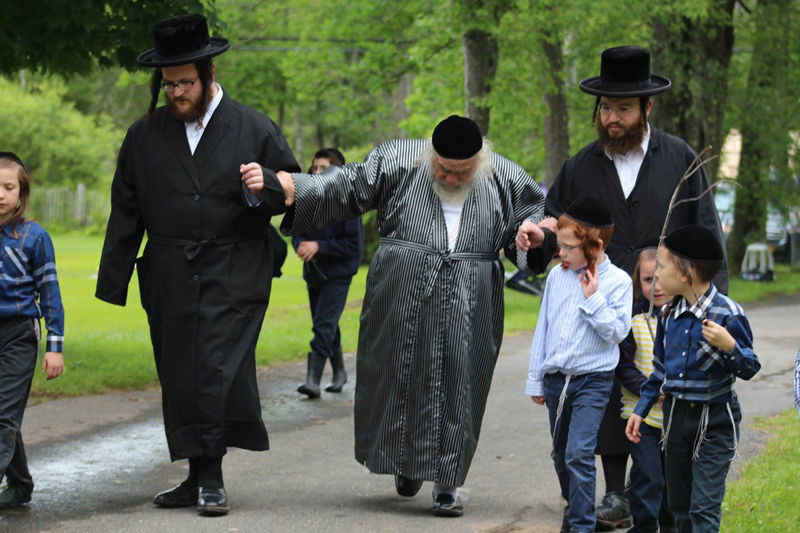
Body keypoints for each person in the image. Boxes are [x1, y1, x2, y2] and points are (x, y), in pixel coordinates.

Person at [276, 115, 554, 517]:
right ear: (431, 154)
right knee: (399, 370)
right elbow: (347, 184)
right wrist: (294, 188)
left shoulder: (504, 176)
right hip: (400, 286)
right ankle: (405, 462)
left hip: (471, 291)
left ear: (479, 161)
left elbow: (532, 229)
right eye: (443, 168)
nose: (451, 178)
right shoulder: (399, 160)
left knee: (461, 380)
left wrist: (534, 238)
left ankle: (447, 482)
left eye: (461, 172)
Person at [95, 14, 299, 516]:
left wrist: (266, 186)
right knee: (180, 373)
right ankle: (194, 474)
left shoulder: (253, 126)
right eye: (168, 84)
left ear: (208, 75)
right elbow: (127, 207)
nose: (177, 93)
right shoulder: (144, 135)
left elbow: (297, 192)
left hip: (235, 269)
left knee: (214, 368)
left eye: (186, 82)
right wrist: (115, 277)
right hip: (169, 271)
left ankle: (211, 477)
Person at [517, 45, 728, 528]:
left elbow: (709, 238)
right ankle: (615, 493)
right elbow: (558, 232)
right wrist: (536, 240)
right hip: (601, 301)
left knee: (663, 395)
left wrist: (713, 306)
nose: (613, 118)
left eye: (624, 109)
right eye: (606, 108)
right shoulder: (580, 165)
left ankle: (657, 487)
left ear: (646, 109)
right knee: (607, 394)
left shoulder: (680, 158)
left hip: (667, 306)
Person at [626, 225, 760, 533]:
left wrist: (729, 345)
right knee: (680, 507)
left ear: (687, 272)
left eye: (662, 264)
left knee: (703, 509)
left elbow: (750, 367)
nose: (656, 273)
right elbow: (660, 370)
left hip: (714, 422)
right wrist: (641, 408)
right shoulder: (669, 313)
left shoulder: (728, 314)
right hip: (676, 421)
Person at [525, 198, 633, 533]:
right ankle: (576, 512)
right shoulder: (556, 278)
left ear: (594, 244)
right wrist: (536, 379)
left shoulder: (618, 282)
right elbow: (543, 327)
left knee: (579, 454)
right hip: (558, 380)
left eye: (570, 248)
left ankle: (582, 525)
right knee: (561, 456)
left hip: (593, 381)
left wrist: (593, 297)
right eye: (560, 246)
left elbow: (616, 332)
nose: (561, 254)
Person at [0, 153, 65, 509]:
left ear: (21, 194)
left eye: (8, 187)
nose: (0, 194)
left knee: (2, 415)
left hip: (19, 335)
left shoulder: (34, 237)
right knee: (3, 414)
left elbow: (51, 296)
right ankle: (20, 484)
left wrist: (55, 346)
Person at [293, 148, 363, 398]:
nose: (318, 172)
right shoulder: (307, 199)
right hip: (313, 274)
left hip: (338, 275)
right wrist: (300, 243)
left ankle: (312, 381)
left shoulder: (348, 204)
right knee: (325, 324)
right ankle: (340, 373)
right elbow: (296, 229)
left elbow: (353, 246)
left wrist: (319, 246)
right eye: (315, 168)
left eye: (324, 168)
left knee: (323, 325)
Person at [617, 243, 675, 533]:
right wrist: (650, 392)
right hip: (639, 417)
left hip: (675, 418)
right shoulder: (633, 322)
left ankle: (669, 525)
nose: (656, 286)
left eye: (660, 278)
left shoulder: (683, 322)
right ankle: (643, 526)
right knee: (649, 475)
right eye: (647, 279)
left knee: (670, 478)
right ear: (637, 282)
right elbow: (624, 366)